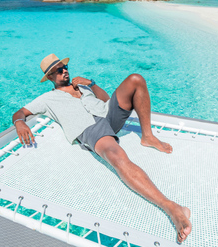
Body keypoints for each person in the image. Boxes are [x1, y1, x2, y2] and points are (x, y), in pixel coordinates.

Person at [12, 54, 192, 243]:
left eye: (64, 67)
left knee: (136, 79)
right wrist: (19, 123)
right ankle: (171, 207)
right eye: (58, 70)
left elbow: (106, 99)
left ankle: (147, 136)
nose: (64, 70)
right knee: (117, 157)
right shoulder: (47, 99)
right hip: (89, 128)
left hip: (107, 114)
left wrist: (91, 83)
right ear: (50, 77)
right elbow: (20, 112)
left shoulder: (81, 85)